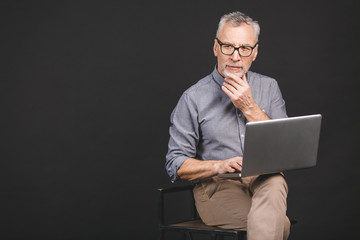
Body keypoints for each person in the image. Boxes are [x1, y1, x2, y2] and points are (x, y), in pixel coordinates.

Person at [165, 11, 290, 240]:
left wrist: (249, 106)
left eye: (244, 48)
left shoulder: (269, 87)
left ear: (255, 53)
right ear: (215, 48)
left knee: (276, 179)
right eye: (228, 47)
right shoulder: (193, 98)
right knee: (278, 225)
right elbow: (177, 164)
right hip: (217, 188)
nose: (235, 56)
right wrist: (220, 165)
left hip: (263, 183)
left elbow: (285, 149)